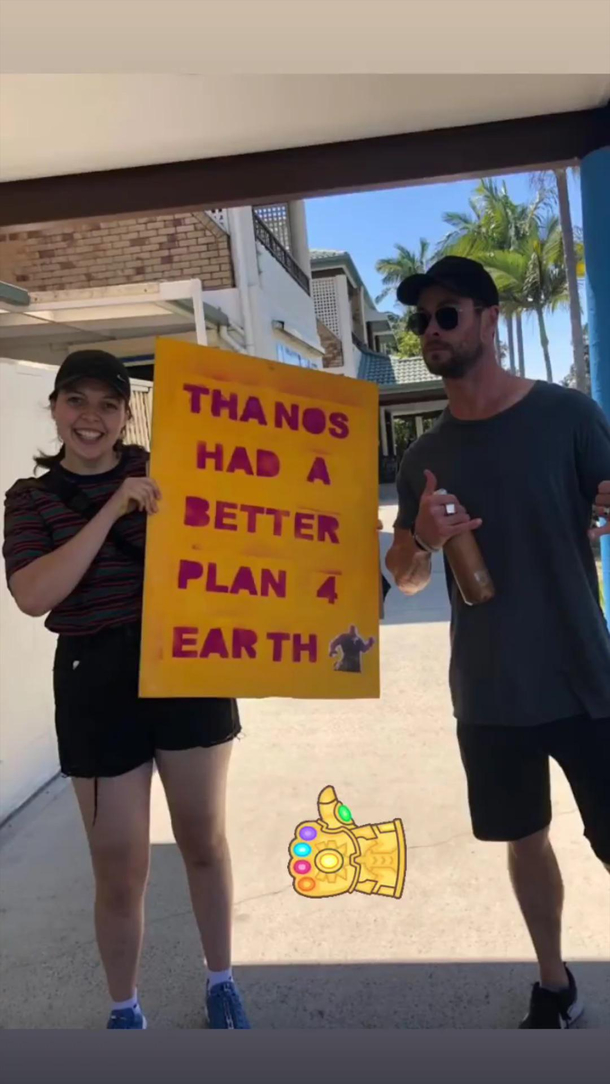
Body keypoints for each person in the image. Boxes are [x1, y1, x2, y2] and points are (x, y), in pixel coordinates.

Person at [385, 256, 610, 1030]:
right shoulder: (424, 458)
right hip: (489, 692)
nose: (432, 331)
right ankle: (555, 984)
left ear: (490, 319)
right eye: (422, 320)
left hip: (586, 677)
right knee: (524, 839)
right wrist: (421, 536)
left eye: (448, 314)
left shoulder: (570, 417)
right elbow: (405, 578)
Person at [2, 350, 250, 1030]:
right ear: (54, 408)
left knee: (203, 840)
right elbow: (33, 592)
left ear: (126, 413)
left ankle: (222, 982)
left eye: (107, 404)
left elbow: (245, 526)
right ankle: (125, 1007)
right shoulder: (31, 500)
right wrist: (114, 507)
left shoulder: (170, 471)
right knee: (119, 867)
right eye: (76, 401)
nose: (91, 418)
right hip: (95, 681)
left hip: (188, 667)